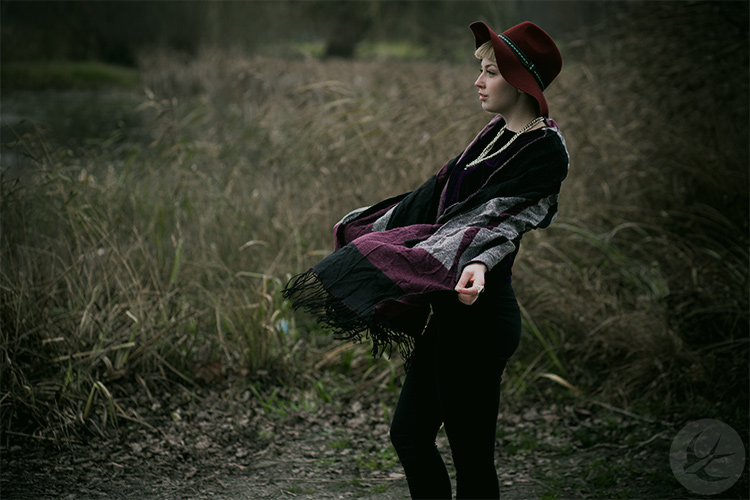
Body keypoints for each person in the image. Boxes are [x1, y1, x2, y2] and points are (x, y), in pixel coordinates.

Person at [283, 20, 568, 499]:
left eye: (491, 72)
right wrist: (370, 228)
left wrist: (475, 263)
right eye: (480, 69)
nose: (478, 81)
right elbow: (435, 200)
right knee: (410, 436)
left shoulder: (543, 150)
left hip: (480, 313)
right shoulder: (491, 135)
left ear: (521, 80)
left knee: (472, 460)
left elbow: (499, 223)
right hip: (450, 312)